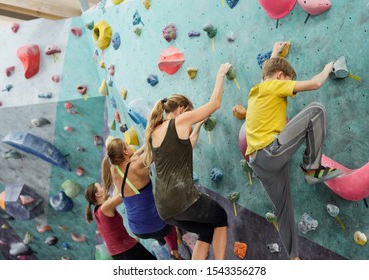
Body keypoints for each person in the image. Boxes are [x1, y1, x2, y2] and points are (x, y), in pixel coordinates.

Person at [245, 41, 342, 260]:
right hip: (269, 152)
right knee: (316, 110)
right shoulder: (273, 85)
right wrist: (328, 67)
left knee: (283, 209)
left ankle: (293, 257)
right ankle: (312, 168)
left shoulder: (256, 90)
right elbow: (316, 83)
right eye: (289, 80)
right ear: (280, 77)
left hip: (259, 164)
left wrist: (275, 53)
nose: (290, 87)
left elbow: (267, 75)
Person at [136, 63, 232, 260]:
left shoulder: (155, 131)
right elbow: (214, 103)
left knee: (206, 231)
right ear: (182, 110)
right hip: (182, 199)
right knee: (221, 217)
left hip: (164, 209)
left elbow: (187, 145)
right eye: (189, 112)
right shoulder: (179, 121)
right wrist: (221, 73)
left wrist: (197, 127)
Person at [101, 137, 183, 260]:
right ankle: (175, 253)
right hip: (158, 225)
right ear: (125, 152)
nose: (129, 146)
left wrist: (144, 146)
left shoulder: (114, 169)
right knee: (168, 220)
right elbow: (159, 147)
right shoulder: (139, 164)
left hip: (137, 230)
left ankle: (160, 239)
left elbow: (131, 160)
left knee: (152, 220)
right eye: (127, 145)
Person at [84, 182, 156, 260]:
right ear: (97, 194)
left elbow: (118, 191)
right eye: (101, 186)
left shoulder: (97, 210)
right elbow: (124, 194)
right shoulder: (105, 207)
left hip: (119, 252)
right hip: (127, 250)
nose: (104, 186)